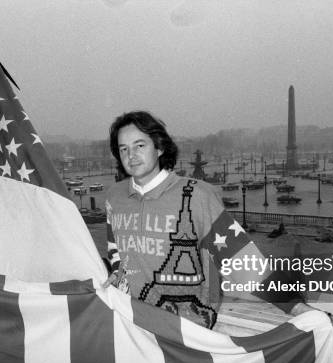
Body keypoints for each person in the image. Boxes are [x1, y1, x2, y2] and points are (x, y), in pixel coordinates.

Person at [103, 111, 312, 329]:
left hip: (184, 328)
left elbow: (240, 258)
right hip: (128, 319)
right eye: (123, 149)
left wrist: (294, 306)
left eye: (139, 146)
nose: (131, 155)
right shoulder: (114, 196)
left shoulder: (198, 196)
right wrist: (117, 273)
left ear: (159, 147)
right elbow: (115, 249)